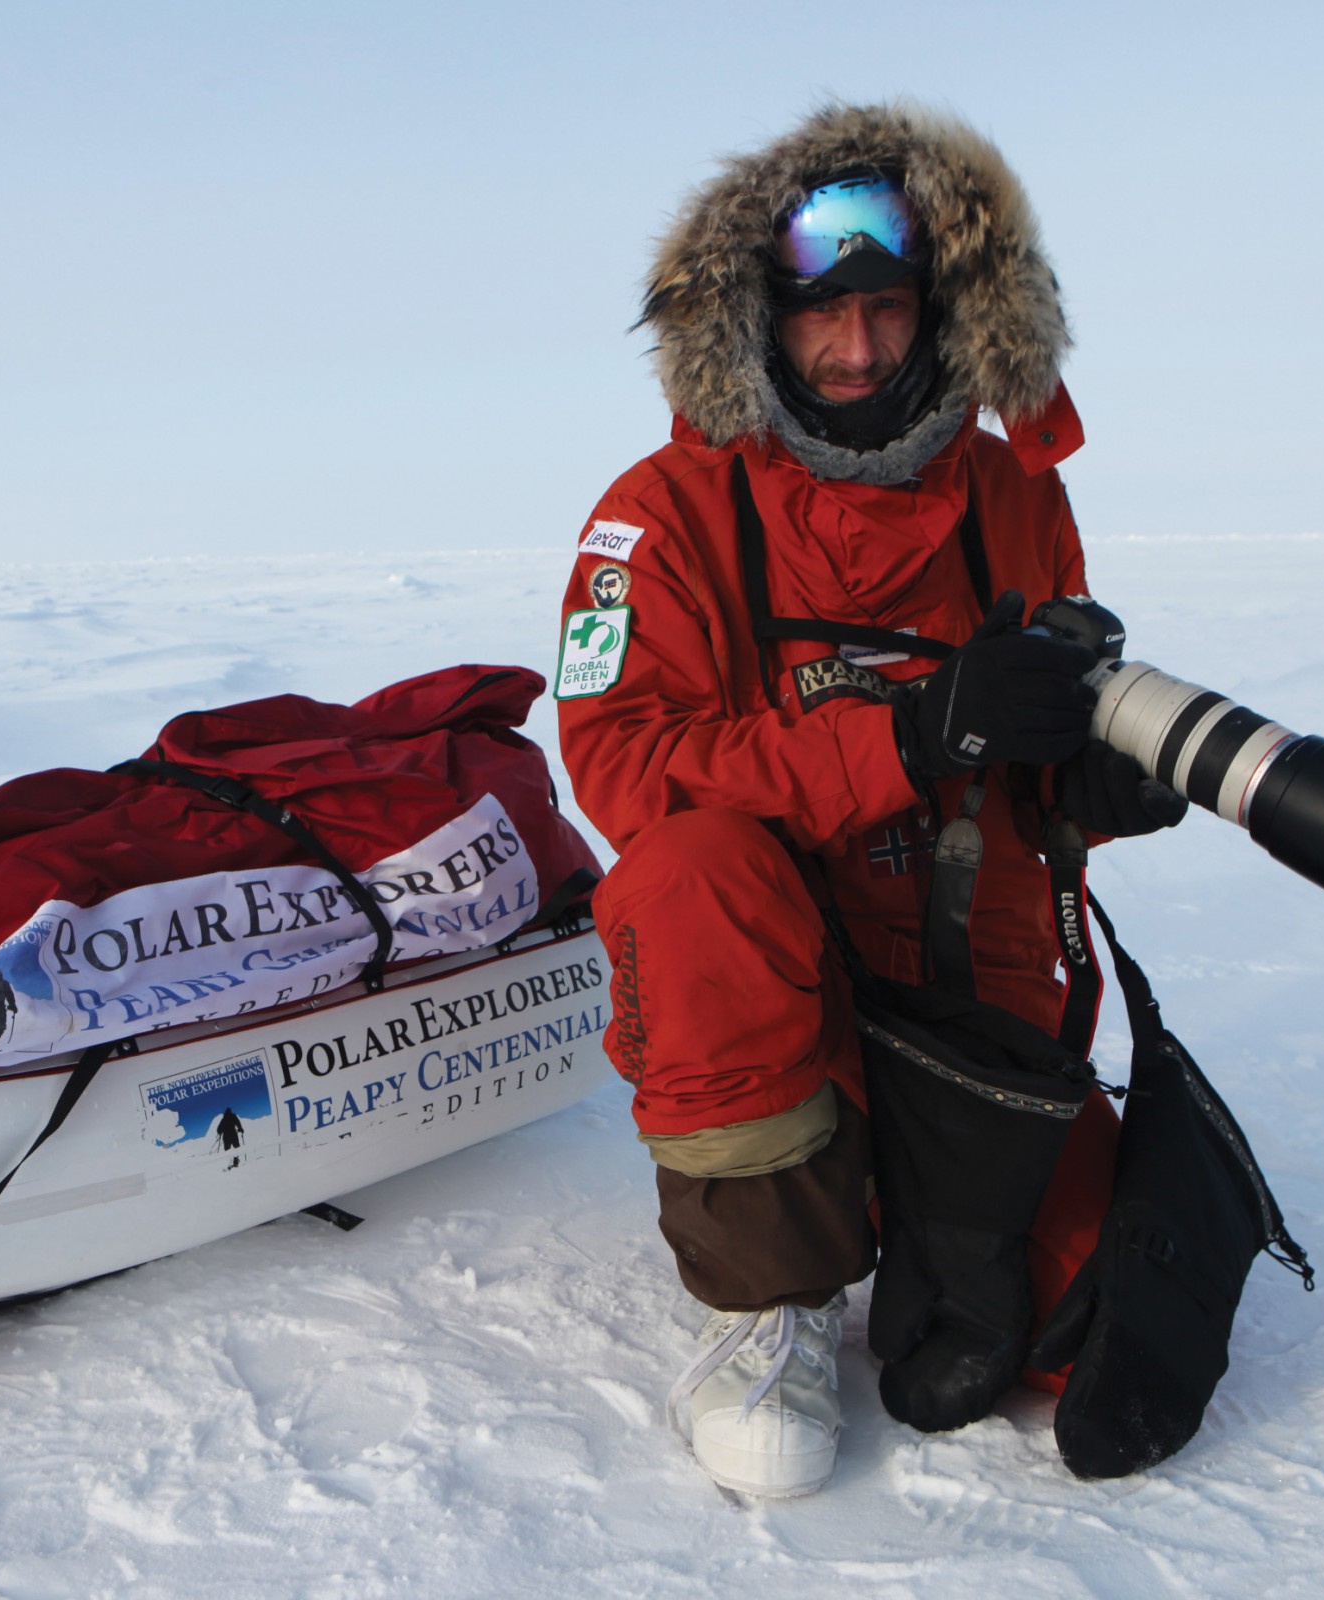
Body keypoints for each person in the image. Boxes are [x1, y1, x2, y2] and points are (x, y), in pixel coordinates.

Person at [556, 103, 1187, 1497]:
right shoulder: (658, 514)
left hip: (970, 990)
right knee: (686, 868)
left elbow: (1039, 731)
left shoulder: (1012, 494)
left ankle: (948, 1191)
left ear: (947, 309)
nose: (856, 352)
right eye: (820, 317)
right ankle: (766, 1293)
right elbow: (620, 763)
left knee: (1082, 1335)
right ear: (754, 324)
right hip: (776, 990)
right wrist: (904, 733)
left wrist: (1084, 782)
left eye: (888, 310)